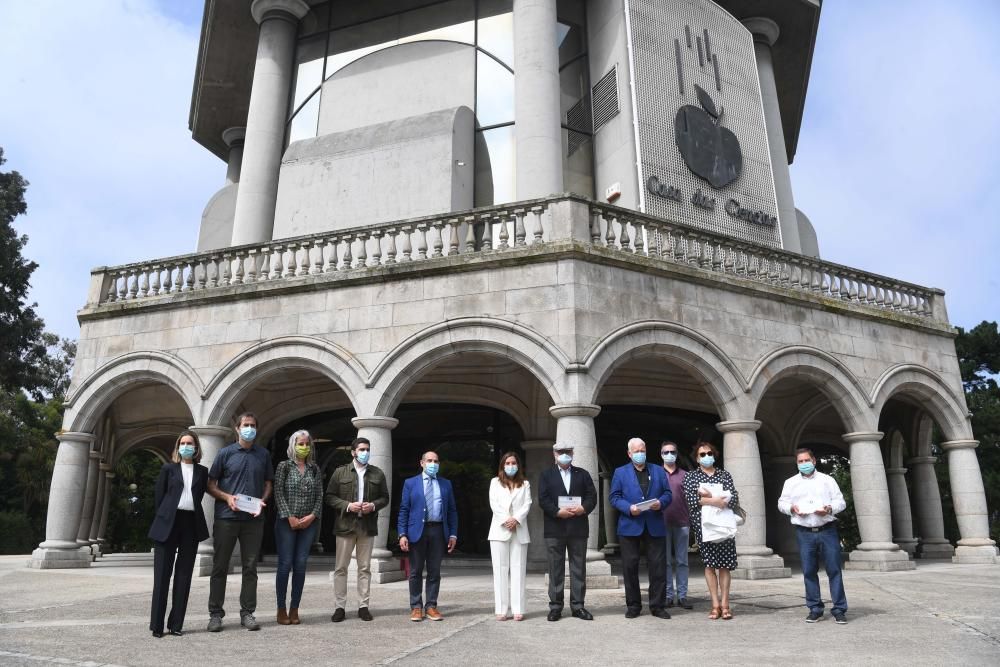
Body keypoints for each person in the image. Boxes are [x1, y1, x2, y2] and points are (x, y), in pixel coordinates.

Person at [206, 412, 273, 632]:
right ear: (237, 428)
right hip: (227, 517)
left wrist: (262, 501)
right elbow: (211, 484)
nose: (249, 429)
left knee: (250, 567)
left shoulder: (263, 454)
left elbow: (268, 483)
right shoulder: (224, 453)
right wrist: (227, 498)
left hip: (253, 520)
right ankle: (215, 614)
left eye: (253, 425)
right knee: (220, 567)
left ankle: (248, 613)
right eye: (246, 425)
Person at [148, 431, 210, 638]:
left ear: (196, 447)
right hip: (167, 523)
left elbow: (199, 496)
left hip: (190, 524)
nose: (186, 446)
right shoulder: (168, 469)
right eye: (182, 443)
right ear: (178, 447)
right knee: (162, 577)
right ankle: (157, 625)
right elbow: (159, 497)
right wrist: (164, 518)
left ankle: (176, 624)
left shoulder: (202, 471)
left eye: (190, 443)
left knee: (183, 577)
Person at [778, 447, 849, 624]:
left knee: (834, 569)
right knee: (809, 571)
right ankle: (815, 608)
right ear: (797, 463)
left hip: (827, 529)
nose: (804, 464)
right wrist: (791, 509)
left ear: (814, 461)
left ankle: (839, 609)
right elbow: (782, 503)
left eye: (806, 461)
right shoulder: (790, 482)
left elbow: (840, 501)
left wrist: (829, 509)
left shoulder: (827, 480)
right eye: (800, 462)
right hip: (804, 532)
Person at [326, 436, 390, 623]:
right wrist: (347, 505)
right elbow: (329, 496)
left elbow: (385, 498)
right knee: (341, 568)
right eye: (362, 449)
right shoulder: (340, 473)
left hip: (367, 527)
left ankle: (363, 606)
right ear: (353, 452)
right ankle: (340, 607)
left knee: (364, 568)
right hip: (345, 526)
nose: (365, 452)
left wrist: (373, 505)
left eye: (367, 449)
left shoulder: (377, 473)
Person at [609, 437, 672, 619]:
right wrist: (629, 508)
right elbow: (614, 497)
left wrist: (660, 503)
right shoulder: (620, 473)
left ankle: (658, 606)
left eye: (642, 450)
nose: (640, 454)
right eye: (636, 451)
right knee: (630, 567)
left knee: (658, 567)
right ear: (629, 454)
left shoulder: (659, 471)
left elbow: (668, 494)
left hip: (655, 523)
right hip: (630, 524)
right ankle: (634, 605)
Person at [537, 442, 598, 622]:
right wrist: (557, 512)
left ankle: (578, 606)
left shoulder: (583, 474)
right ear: (554, 454)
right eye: (560, 452)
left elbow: (592, 496)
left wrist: (583, 508)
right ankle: (555, 607)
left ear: (572, 453)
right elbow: (543, 499)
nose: (564, 454)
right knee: (555, 568)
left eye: (567, 452)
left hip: (578, 527)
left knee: (578, 568)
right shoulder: (546, 475)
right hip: (554, 527)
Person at [397, 451, 458, 622]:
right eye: (429, 461)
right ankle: (416, 607)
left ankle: (431, 606)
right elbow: (404, 510)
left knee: (434, 571)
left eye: (436, 461)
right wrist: (402, 534)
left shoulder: (446, 484)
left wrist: (453, 533)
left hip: (438, 531)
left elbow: (452, 511)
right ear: (422, 463)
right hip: (417, 531)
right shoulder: (410, 483)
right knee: (415, 571)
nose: (433, 464)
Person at [683, 438, 739, 620]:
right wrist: (716, 500)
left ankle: (725, 604)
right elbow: (692, 501)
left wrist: (707, 497)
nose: (706, 457)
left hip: (724, 525)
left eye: (709, 454)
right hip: (704, 527)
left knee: (725, 566)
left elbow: (733, 498)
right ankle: (714, 604)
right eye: (702, 455)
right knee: (709, 564)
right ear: (697, 459)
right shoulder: (691, 477)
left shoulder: (724, 475)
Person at [273, 429, 323, 626]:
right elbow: (278, 492)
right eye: (300, 444)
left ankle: (295, 608)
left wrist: (312, 516)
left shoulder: (314, 469)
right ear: (293, 445)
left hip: (309, 523)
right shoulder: (284, 466)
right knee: (285, 563)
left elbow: (320, 495)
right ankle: (281, 609)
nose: (303, 447)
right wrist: (290, 516)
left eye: (306, 444)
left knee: (301, 564)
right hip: (287, 522)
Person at [488, 452, 532, 621]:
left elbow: (527, 503)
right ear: (502, 465)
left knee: (518, 569)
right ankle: (501, 609)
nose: (511, 465)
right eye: (508, 463)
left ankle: (518, 609)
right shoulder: (495, 482)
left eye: (514, 463)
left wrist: (516, 519)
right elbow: (494, 504)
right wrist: (507, 520)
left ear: (518, 465)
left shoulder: (525, 484)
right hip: (499, 530)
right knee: (500, 570)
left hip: (519, 530)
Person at [661, 440, 692, 610]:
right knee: (665, 561)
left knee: (682, 561)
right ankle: (667, 595)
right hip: (662, 523)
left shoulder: (686, 475)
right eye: (665, 452)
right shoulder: (657, 473)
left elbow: (692, 499)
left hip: (682, 522)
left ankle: (682, 596)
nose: (669, 454)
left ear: (677, 453)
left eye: (672, 451)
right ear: (661, 454)